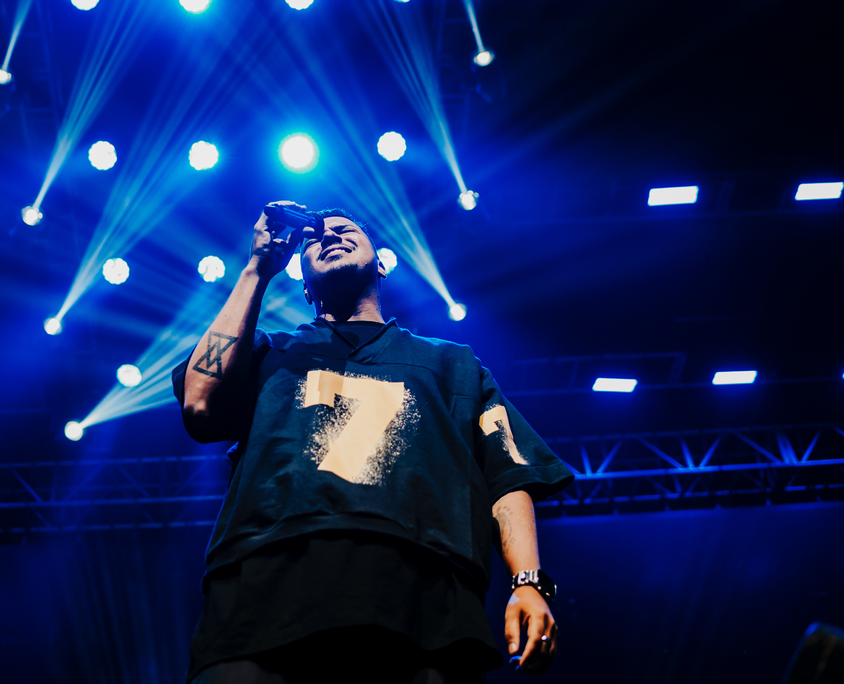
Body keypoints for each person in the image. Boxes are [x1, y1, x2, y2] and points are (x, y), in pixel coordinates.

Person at [172, 202, 573, 684]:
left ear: (381, 263)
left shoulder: (454, 364)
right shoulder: (267, 352)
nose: (329, 236)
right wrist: (258, 267)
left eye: (346, 230)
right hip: (262, 585)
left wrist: (528, 583)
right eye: (314, 238)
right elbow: (200, 403)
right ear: (303, 283)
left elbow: (506, 478)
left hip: (428, 597)